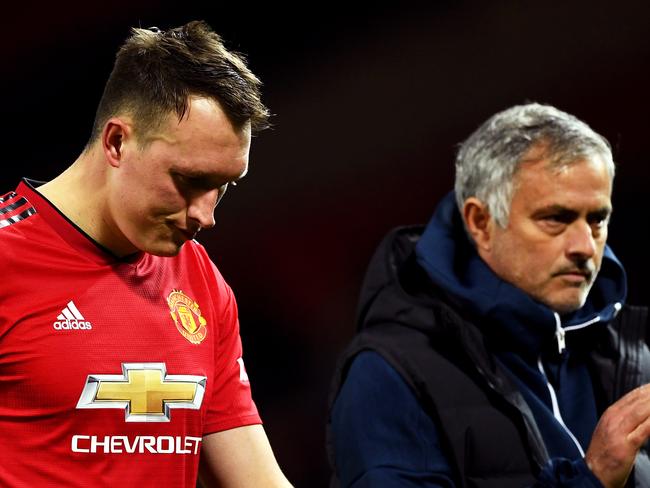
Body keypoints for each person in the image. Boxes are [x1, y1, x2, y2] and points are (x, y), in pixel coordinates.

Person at [0, 21, 292, 487]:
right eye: (190, 181)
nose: (206, 215)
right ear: (117, 142)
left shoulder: (202, 283)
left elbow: (257, 479)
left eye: (223, 187)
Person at [328, 103, 650, 487]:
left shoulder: (634, 353)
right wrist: (591, 479)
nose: (585, 245)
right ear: (480, 222)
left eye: (597, 219)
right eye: (556, 219)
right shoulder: (390, 374)